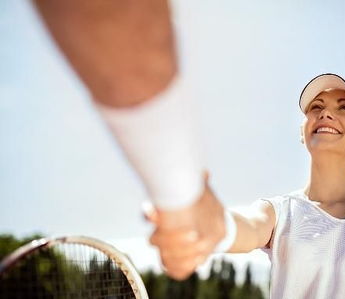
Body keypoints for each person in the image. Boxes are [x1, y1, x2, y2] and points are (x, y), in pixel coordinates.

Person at [149, 73, 345, 296]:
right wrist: (208, 223)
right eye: (316, 107)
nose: (326, 112)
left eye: (344, 107)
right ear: (303, 132)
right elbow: (243, 226)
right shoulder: (279, 212)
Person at [31, 0, 226, 279]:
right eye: (312, 108)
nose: (315, 116)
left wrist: (184, 208)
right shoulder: (279, 212)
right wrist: (186, 223)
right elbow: (239, 228)